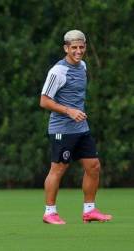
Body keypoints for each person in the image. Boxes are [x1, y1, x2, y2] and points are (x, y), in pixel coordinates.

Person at [40, 30, 112, 224]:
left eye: (81, 47)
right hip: (61, 129)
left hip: (81, 128)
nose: (78, 51)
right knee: (58, 170)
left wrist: (76, 113)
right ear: (66, 48)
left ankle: (89, 210)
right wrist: (68, 111)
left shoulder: (83, 66)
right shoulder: (58, 71)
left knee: (93, 166)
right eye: (74, 48)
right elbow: (44, 101)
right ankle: (49, 212)